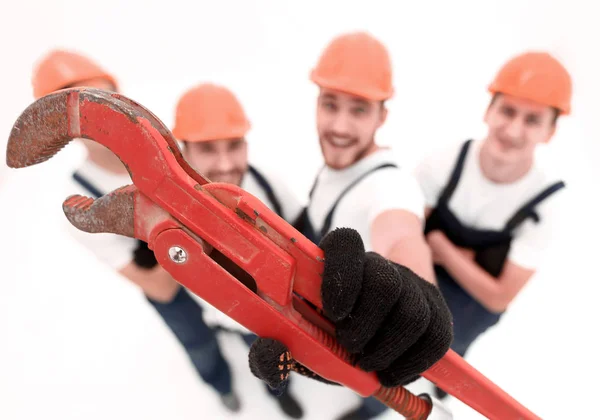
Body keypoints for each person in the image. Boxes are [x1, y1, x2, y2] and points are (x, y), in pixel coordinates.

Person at [29, 50, 302, 417]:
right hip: (172, 289)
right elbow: (160, 286)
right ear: (59, 127)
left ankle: (278, 391)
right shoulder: (79, 205)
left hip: (229, 272)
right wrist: (180, 227)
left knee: (261, 336)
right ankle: (221, 387)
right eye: (79, 109)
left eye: (101, 100)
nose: (96, 117)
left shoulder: (173, 152)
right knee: (199, 345)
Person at [248, 31, 446, 420]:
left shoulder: (391, 185)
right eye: (330, 104)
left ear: (382, 116)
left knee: (381, 380)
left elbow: (402, 232)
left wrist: (419, 289)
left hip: (370, 349)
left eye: (358, 109)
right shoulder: (336, 165)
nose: (339, 126)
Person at [415, 51, 571, 399]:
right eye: (508, 111)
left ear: (550, 131)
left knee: (449, 359)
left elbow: (499, 297)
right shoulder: (442, 164)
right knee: (395, 354)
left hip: (470, 315)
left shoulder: (544, 208)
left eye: (532, 120)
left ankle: (442, 381)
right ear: (489, 110)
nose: (514, 129)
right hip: (421, 282)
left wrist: (443, 249)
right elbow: (405, 239)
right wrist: (466, 265)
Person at [172, 82, 305, 418]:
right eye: (206, 148)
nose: (225, 163)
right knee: (205, 353)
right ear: (183, 149)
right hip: (213, 315)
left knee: (274, 369)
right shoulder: (167, 207)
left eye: (234, 145)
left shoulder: (270, 186)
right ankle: (224, 389)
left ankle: (278, 395)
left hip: (267, 321)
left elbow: (305, 239)